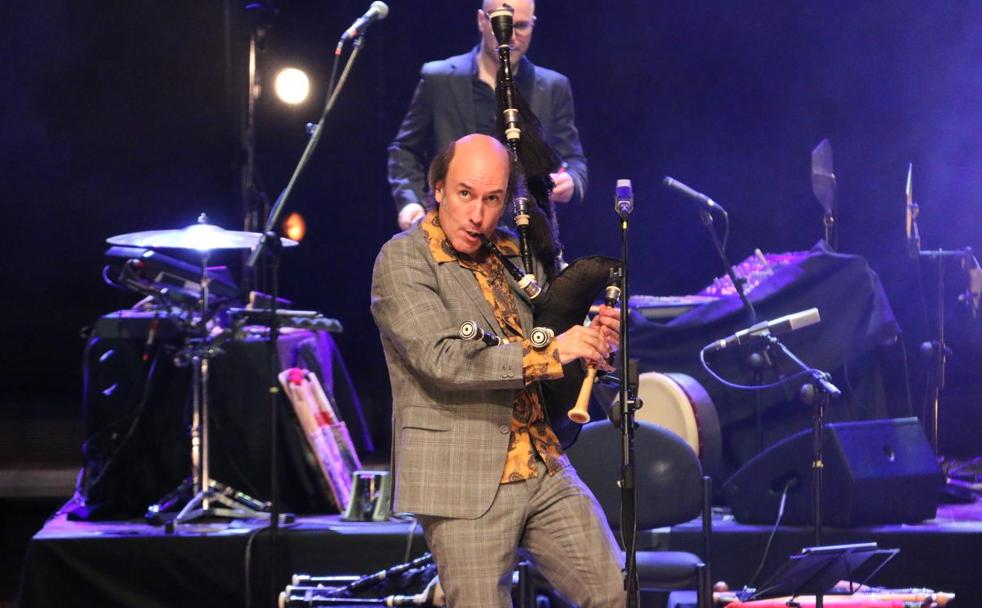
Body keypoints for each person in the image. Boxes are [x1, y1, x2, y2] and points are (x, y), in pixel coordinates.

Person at [371, 134, 624, 607]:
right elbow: (442, 359)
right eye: (465, 193)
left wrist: (590, 336)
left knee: (614, 592)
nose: (477, 214)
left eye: (492, 199)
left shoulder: (509, 252)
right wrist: (553, 352)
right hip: (462, 478)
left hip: (542, 464)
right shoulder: (403, 259)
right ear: (439, 188)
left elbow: (545, 334)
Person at [387, 0, 588, 231]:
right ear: (481, 21)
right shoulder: (439, 78)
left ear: (533, 25)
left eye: (521, 26)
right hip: (451, 233)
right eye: (500, 24)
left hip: (525, 237)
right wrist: (410, 202)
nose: (509, 36)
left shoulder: (554, 87)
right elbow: (404, 149)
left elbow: (574, 160)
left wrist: (572, 181)